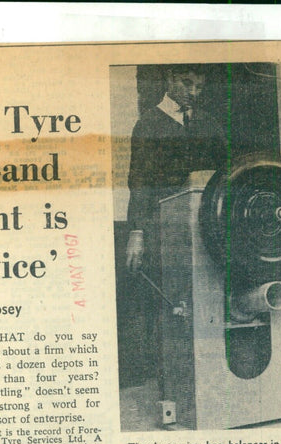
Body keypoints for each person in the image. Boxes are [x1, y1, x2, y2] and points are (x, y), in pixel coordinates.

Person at [122, 64, 227, 387]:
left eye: (199, 86)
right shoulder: (148, 124)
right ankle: (173, 384)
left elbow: (225, 174)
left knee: (208, 300)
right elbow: (139, 183)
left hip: (204, 228)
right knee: (171, 306)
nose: (194, 92)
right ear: (169, 79)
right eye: (187, 83)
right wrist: (137, 233)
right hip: (163, 230)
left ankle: (209, 380)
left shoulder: (209, 124)